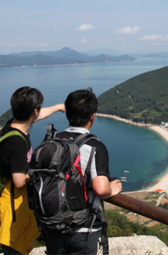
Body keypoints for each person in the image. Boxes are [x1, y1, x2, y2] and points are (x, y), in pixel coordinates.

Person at [0, 86, 65, 255]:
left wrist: (58, 107)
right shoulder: (17, 142)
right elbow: (19, 180)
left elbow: (39, 115)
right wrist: (43, 171)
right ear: (34, 111)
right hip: (13, 204)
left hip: (7, 197)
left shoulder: (11, 126)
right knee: (14, 248)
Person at [42, 87, 122, 255]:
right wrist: (111, 189)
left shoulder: (52, 140)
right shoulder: (95, 146)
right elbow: (100, 189)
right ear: (92, 116)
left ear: (67, 113)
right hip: (83, 227)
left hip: (52, 223)